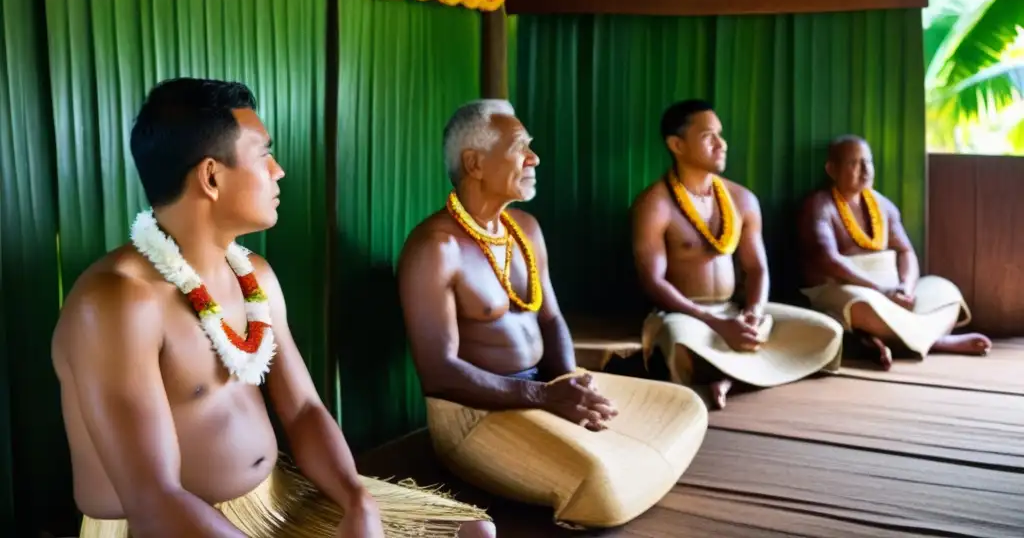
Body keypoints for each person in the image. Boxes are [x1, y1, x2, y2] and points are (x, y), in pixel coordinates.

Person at [51, 78, 493, 538]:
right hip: (170, 527)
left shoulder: (253, 275)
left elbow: (303, 408)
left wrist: (357, 500)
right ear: (211, 176)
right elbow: (154, 500)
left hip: (276, 502)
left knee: (475, 531)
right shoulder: (117, 302)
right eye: (264, 154)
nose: (277, 171)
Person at [396, 99, 709, 529]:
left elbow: (551, 320)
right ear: (475, 163)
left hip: (546, 389)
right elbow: (439, 373)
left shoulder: (525, 228)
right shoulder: (435, 248)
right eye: (520, 147)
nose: (534, 157)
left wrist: (566, 380)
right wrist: (546, 399)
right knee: (600, 483)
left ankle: (604, 458)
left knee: (685, 406)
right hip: (475, 416)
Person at [631, 99, 844, 410]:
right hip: (684, 314)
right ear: (677, 144)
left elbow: (757, 269)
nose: (722, 144)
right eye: (708, 137)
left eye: (720, 134)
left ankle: (727, 374)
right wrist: (715, 324)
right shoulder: (655, 203)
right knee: (679, 344)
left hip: (735, 311)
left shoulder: (742, 199)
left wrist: (754, 313)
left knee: (828, 332)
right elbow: (652, 281)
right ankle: (745, 371)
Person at [799, 134, 991, 369]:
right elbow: (828, 260)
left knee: (945, 291)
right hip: (850, 289)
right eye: (854, 163)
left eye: (868, 162)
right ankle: (936, 340)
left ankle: (887, 339)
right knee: (859, 306)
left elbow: (905, 252)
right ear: (832, 169)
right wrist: (880, 291)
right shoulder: (820, 205)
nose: (865, 170)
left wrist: (905, 288)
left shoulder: (884, 206)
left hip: (895, 295)